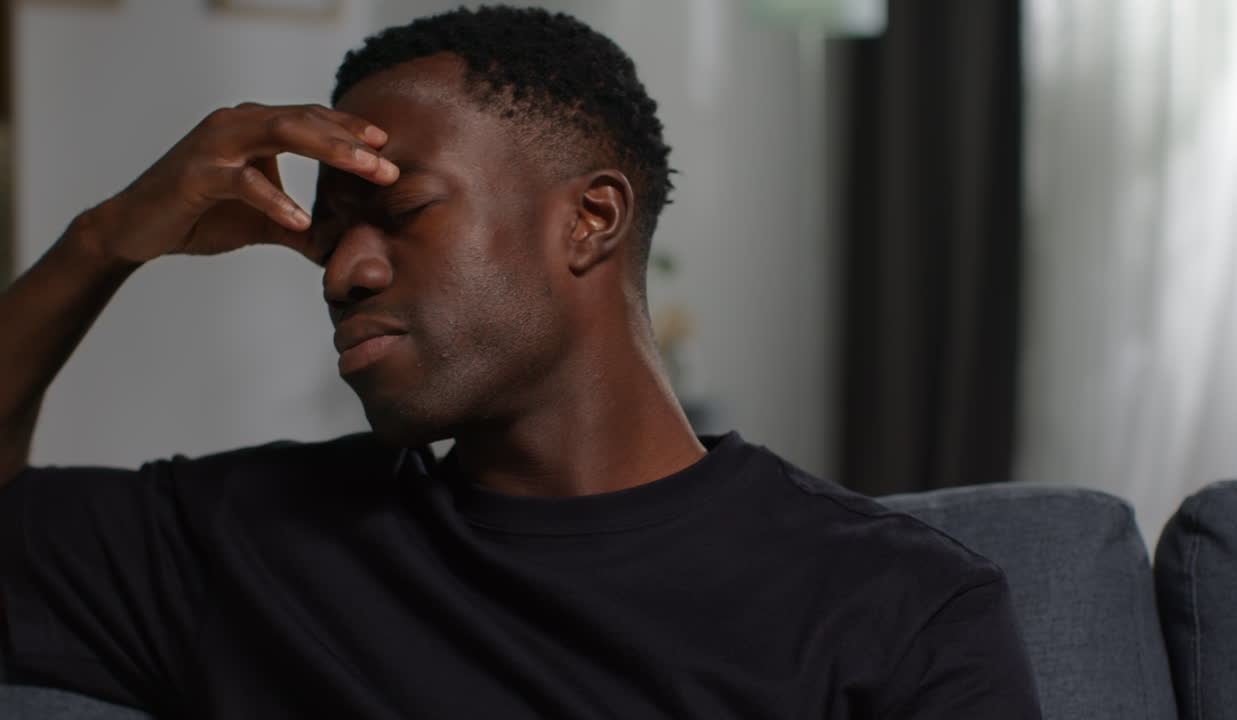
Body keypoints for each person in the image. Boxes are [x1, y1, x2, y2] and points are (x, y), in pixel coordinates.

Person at [0, 6, 1041, 719]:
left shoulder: (895, 604)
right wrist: (101, 242)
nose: (342, 272)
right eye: (328, 238)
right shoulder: (245, 544)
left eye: (400, 212)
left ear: (589, 220)